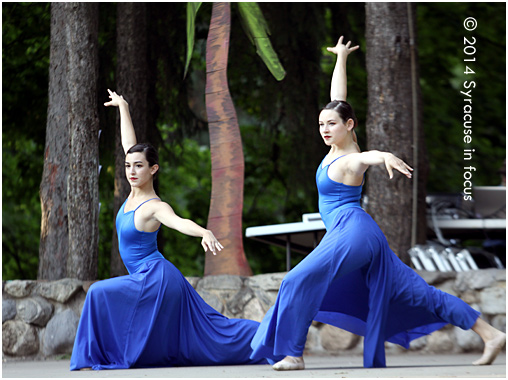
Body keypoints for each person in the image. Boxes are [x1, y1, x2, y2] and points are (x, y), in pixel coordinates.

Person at [249, 37, 506, 370]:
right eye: (321, 124)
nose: (325, 129)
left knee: (296, 280)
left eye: (332, 124)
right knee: (418, 293)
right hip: (358, 235)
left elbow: (367, 158)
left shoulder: (351, 159)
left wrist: (383, 154)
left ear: (349, 125)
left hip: (353, 233)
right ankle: (490, 333)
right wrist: (341, 58)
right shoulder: (334, 147)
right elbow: (337, 98)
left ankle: (294, 354)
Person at [70, 90, 271, 370]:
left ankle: (271, 335)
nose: (131, 171)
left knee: (98, 293)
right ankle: (267, 334)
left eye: (139, 166)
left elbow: (178, 222)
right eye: (128, 166)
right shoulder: (131, 194)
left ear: (153, 169)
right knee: (209, 333)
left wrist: (204, 232)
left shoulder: (154, 206)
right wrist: (123, 107)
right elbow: (130, 144)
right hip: (148, 278)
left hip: (156, 279)